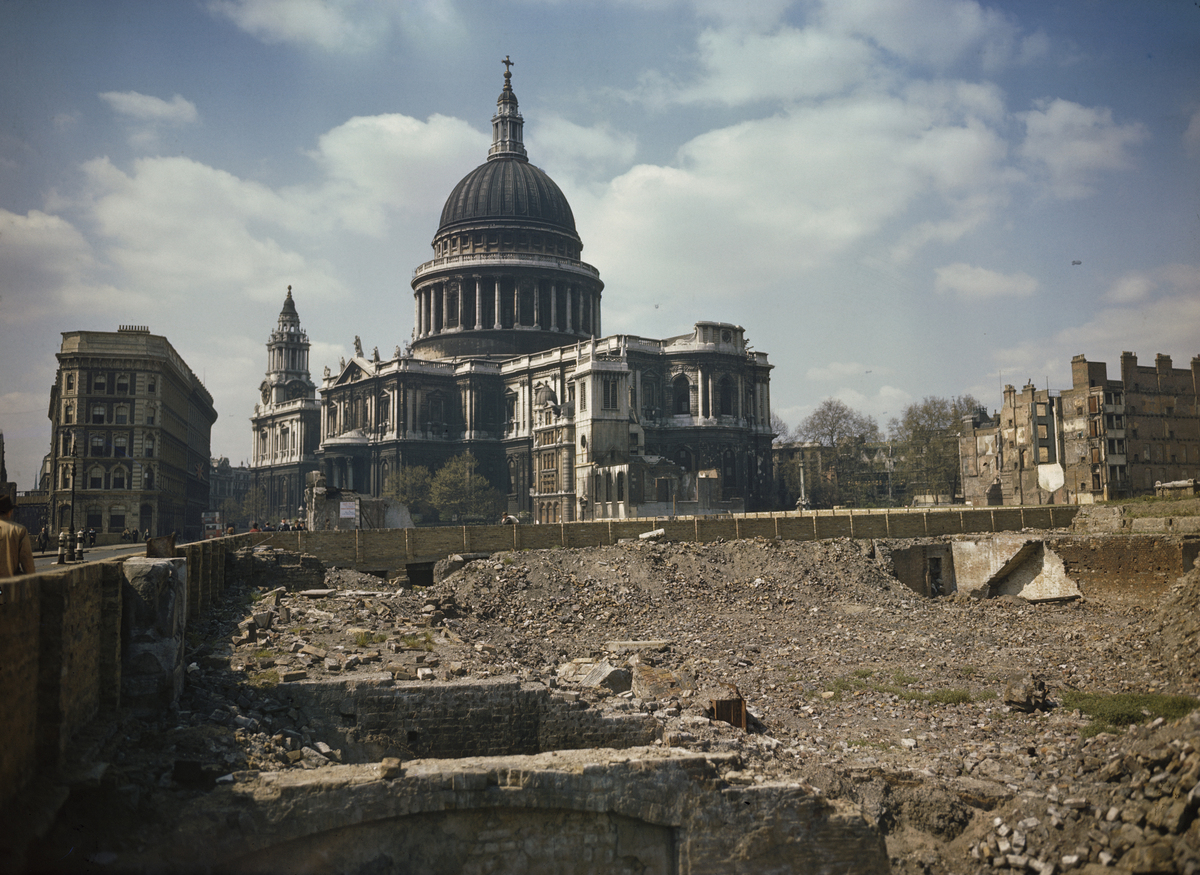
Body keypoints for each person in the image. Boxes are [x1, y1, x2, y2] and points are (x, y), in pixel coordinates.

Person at [0, 496, 36, 577]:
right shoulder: (19, 530)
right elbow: (27, 561)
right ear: (10, 512)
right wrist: (32, 584)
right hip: (10, 585)